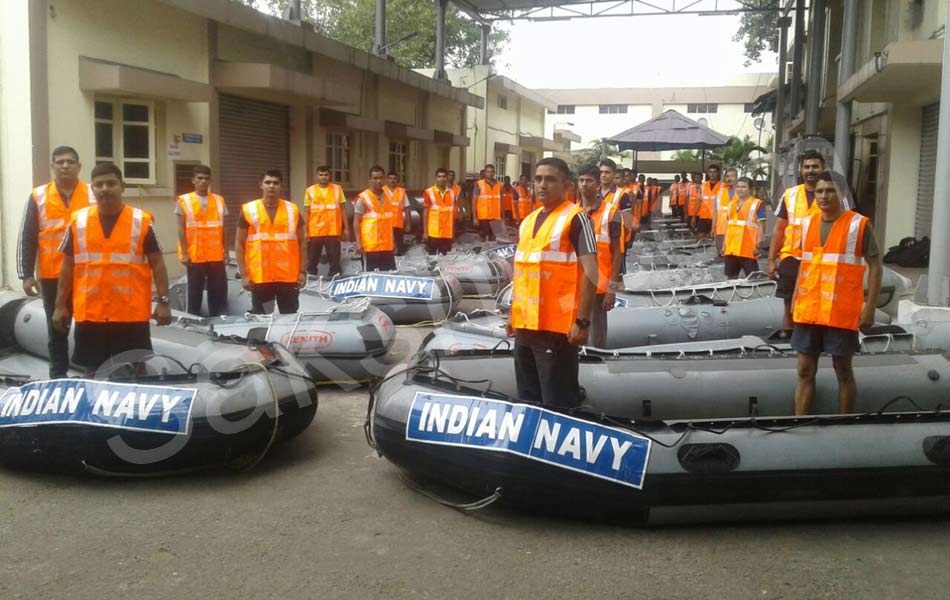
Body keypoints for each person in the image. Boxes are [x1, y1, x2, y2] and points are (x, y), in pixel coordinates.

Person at [51, 163, 171, 374]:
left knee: (135, 375)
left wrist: (163, 301)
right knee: (92, 374)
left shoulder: (141, 221)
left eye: (111, 183)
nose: (105, 188)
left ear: (122, 186)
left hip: (130, 316)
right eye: (99, 184)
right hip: (91, 315)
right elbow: (68, 266)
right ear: (92, 189)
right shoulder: (78, 221)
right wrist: (60, 305)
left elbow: (158, 264)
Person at [506, 157, 599, 408]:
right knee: (528, 398)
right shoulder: (528, 221)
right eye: (538, 179)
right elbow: (523, 272)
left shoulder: (576, 218)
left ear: (566, 185)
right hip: (526, 326)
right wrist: (512, 314)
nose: (542, 185)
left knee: (557, 403)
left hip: (557, 330)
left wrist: (582, 321)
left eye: (550, 179)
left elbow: (592, 272)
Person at [791, 172, 882, 415]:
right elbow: (805, 264)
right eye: (819, 191)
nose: (823, 196)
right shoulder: (808, 222)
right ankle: (800, 424)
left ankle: (844, 426)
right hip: (809, 309)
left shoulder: (858, 225)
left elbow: (875, 266)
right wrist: (794, 302)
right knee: (804, 370)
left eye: (830, 191)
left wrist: (870, 307)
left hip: (841, 313)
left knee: (843, 370)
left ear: (841, 194)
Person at [17, 146, 95, 378]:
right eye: (60, 162)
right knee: (57, 328)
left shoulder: (93, 194)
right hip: (52, 275)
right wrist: (26, 274)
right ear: (52, 167)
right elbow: (27, 236)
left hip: (86, 273)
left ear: (79, 166)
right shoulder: (38, 196)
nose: (65, 166)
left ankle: (90, 374)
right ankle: (58, 377)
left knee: (88, 326)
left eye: (70, 161)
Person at [767, 150, 828, 331]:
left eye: (815, 166)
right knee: (789, 308)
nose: (811, 170)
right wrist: (771, 259)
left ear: (823, 168)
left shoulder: (833, 195)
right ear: (800, 170)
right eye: (806, 167)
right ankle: (789, 344)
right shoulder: (790, 195)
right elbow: (779, 228)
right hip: (792, 258)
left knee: (818, 307)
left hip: (821, 261)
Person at [235, 170, 307, 314]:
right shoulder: (250, 210)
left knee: (289, 317)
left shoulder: (292, 210)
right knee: (263, 318)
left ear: (281, 186)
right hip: (261, 278)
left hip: (287, 278)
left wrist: (302, 272)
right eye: (268, 182)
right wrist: (244, 275)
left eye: (275, 183)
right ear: (261, 185)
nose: (271, 186)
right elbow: (239, 243)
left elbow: (303, 242)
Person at [577, 165, 622, 349]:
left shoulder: (611, 212)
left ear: (597, 184)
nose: (584, 184)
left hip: (598, 287)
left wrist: (611, 289)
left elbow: (617, 253)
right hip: (574, 286)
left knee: (596, 339)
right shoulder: (571, 212)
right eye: (581, 180)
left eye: (589, 181)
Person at [176, 164, 228, 316]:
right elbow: (180, 228)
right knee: (195, 292)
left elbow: (224, 228)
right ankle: (194, 319)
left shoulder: (219, 200)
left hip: (216, 255)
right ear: (193, 180)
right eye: (200, 178)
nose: (203, 181)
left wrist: (225, 251)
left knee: (217, 291)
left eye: (206, 179)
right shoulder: (184, 201)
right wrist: (184, 253)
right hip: (195, 255)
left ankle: (218, 319)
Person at [305, 164, 350, 278]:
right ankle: (311, 277)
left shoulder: (337, 189)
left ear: (330, 175)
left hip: (333, 230)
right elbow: (306, 212)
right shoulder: (310, 191)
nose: (323, 177)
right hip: (316, 230)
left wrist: (347, 229)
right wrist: (305, 231)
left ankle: (334, 278)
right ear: (317, 176)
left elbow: (343, 209)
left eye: (326, 175)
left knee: (334, 258)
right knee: (312, 258)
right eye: (321, 175)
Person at [353, 165, 396, 271]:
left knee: (389, 276)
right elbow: (356, 221)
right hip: (370, 247)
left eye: (381, 178)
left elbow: (389, 221)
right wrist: (358, 242)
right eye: (375, 178)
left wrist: (393, 241)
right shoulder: (363, 198)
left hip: (386, 246)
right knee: (371, 278)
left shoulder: (388, 196)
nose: (378, 181)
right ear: (370, 180)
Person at [723, 177, 768, 278]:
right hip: (732, 249)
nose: (740, 189)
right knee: (731, 278)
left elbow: (762, 226)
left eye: (743, 187)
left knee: (753, 278)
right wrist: (724, 244)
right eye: (738, 187)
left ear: (750, 189)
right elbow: (728, 227)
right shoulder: (731, 204)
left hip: (748, 249)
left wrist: (758, 245)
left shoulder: (757, 204)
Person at [422, 168, 455, 255]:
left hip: (447, 233)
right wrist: (425, 232)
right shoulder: (429, 192)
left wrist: (453, 231)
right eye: (439, 176)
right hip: (434, 233)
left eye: (444, 176)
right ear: (436, 178)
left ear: (447, 178)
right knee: (432, 257)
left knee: (445, 258)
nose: (442, 179)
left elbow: (452, 214)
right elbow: (425, 214)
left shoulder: (452, 193)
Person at [383, 172, 411, 255]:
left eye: (394, 179)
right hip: (385, 224)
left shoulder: (402, 192)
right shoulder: (382, 191)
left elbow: (407, 208)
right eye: (390, 178)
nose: (392, 180)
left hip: (398, 224)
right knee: (386, 247)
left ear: (397, 180)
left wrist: (408, 224)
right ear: (387, 180)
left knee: (399, 248)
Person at [472, 164, 502, 241]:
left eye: (492, 172)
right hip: (483, 217)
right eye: (488, 172)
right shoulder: (479, 184)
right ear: (485, 173)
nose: (490, 173)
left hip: (495, 217)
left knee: (494, 238)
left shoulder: (499, 185)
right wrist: (475, 218)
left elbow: (501, 202)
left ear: (494, 173)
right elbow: (474, 202)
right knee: (482, 238)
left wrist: (503, 217)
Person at [693, 165, 721, 239]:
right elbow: (699, 201)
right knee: (699, 236)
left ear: (718, 173)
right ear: (708, 173)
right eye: (710, 172)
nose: (712, 174)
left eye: (714, 172)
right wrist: (694, 215)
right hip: (704, 216)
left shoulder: (723, 186)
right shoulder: (703, 185)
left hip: (717, 217)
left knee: (714, 237)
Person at [715, 167, 738, 254]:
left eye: (732, 176)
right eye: (727, 176)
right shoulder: (720, 192)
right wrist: (713, 227)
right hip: (721, 229)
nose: (729, 179)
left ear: (737, 177)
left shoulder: (743, 192)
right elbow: (715, 211)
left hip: (737, 231)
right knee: (721, 254)